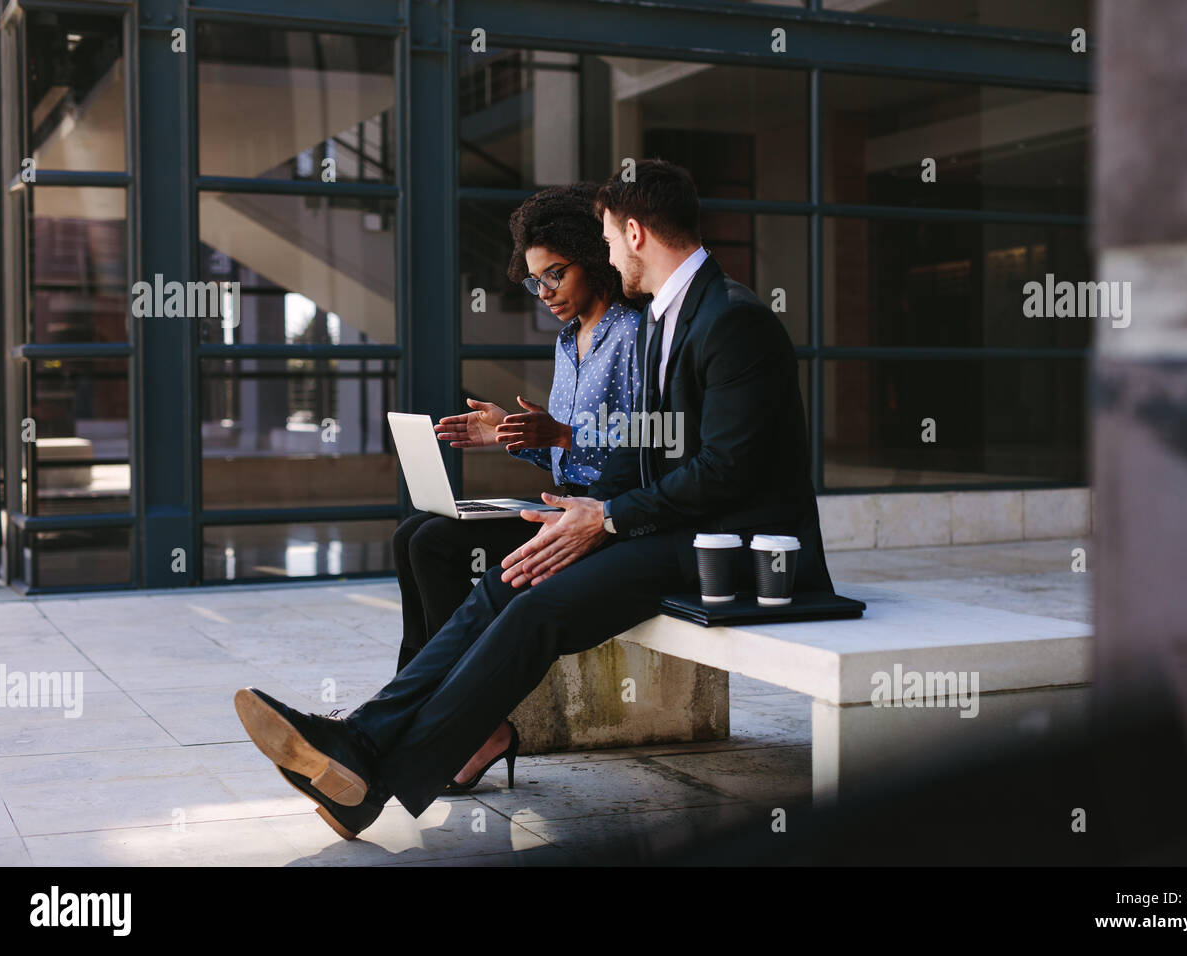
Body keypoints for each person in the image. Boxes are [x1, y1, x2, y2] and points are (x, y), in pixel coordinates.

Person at [233, 160, 832, 840]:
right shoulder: (675, 315)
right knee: (504, 583)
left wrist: (604, 515)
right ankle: (363, 745)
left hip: (734, 550)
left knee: (534, 602)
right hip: (667, 523)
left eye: (604, 238)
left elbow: (726, 470)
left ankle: (371, 772)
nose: (602, 253)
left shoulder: (729, 320)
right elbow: (659, 447)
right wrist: (569, 484)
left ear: (632, 233)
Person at [389, 183, 641, 794]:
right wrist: (508, 432)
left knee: (436, 545)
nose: (545, 293)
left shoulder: (634, 336)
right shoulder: (567, 340)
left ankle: (469, 724)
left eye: (554, 274)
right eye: (534, 282)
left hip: (606, 519)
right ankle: (425, 709)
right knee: (415, 534)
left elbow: (640, 456)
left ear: (595, 254)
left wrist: (559, 436)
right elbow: (562, 447)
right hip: (560, 504)